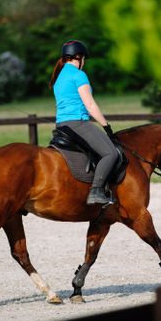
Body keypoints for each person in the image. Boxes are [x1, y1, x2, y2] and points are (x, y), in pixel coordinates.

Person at [49, 40, 118, 206]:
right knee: (111, 154)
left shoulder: (59, 77)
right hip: (78, 123)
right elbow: (90, 104)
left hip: (61, 125)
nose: (84, 63)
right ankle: (96, 191)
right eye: (83, 59)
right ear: (78, 58)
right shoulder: (78, 75)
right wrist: (106, 126)